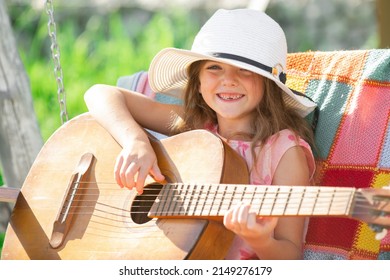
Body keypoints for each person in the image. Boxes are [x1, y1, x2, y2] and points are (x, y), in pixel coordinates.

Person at [84, 8, 317, 260]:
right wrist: (135, 141)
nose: (228, 80)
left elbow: (290, 257)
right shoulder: (194, 126)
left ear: (268, 84)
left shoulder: (284, 153)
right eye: (214, 67)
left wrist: (259, 240)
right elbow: (99, 94)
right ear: (198, 82)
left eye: (244, 70)